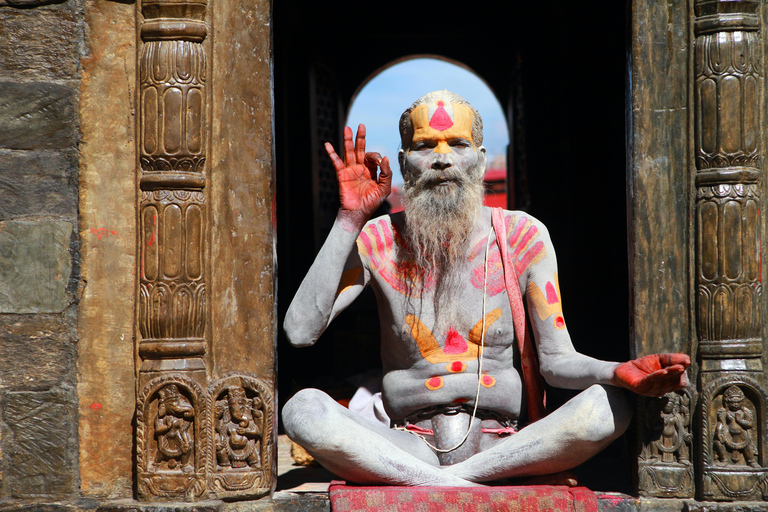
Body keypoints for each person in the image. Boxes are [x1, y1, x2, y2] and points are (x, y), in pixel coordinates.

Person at [282, 90, 690, 486]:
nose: (442, 158)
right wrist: (348, 219)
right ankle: (459, 482)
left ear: (478, 161)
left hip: (509, 445)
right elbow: (299, 332)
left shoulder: (522, 237)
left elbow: (555, 361)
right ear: (405, 164)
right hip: (408, 445)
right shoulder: (378, 240)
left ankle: (444, 483)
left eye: (457, 143)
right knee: (303, 410)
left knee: (610, 405)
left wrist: (616, 372)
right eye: (425, 146)